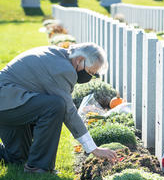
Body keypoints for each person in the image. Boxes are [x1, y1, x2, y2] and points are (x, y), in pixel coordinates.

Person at [0, 42, 117, 173]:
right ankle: (38, 167)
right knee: (56, 106)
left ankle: (19, 158)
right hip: (8, 101)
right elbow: (69, 111)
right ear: (79, 60)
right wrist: (93, 148)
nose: (89, 77)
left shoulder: (57, 54)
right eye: (90, 72)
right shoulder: (64, 69)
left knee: (18, 158)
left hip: (10, 102)